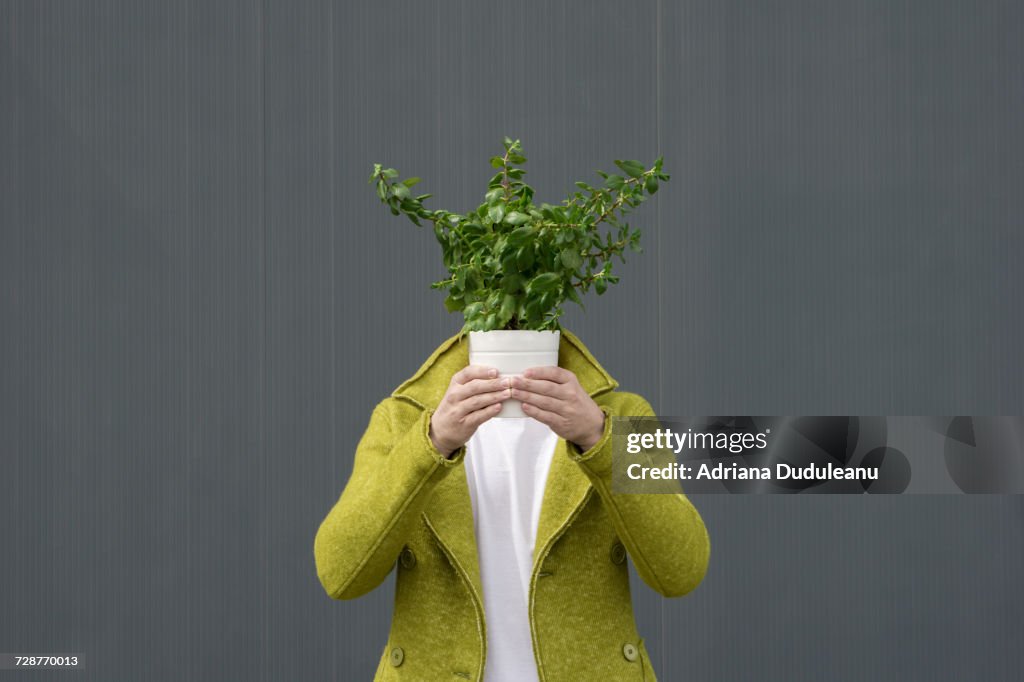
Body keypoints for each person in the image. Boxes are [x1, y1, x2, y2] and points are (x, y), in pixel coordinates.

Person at [314, 328, 710, 681]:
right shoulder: (402, 421)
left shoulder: (620, 416)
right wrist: (430, 443)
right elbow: (340, 573)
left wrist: (600, 437)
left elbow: (681, 570)